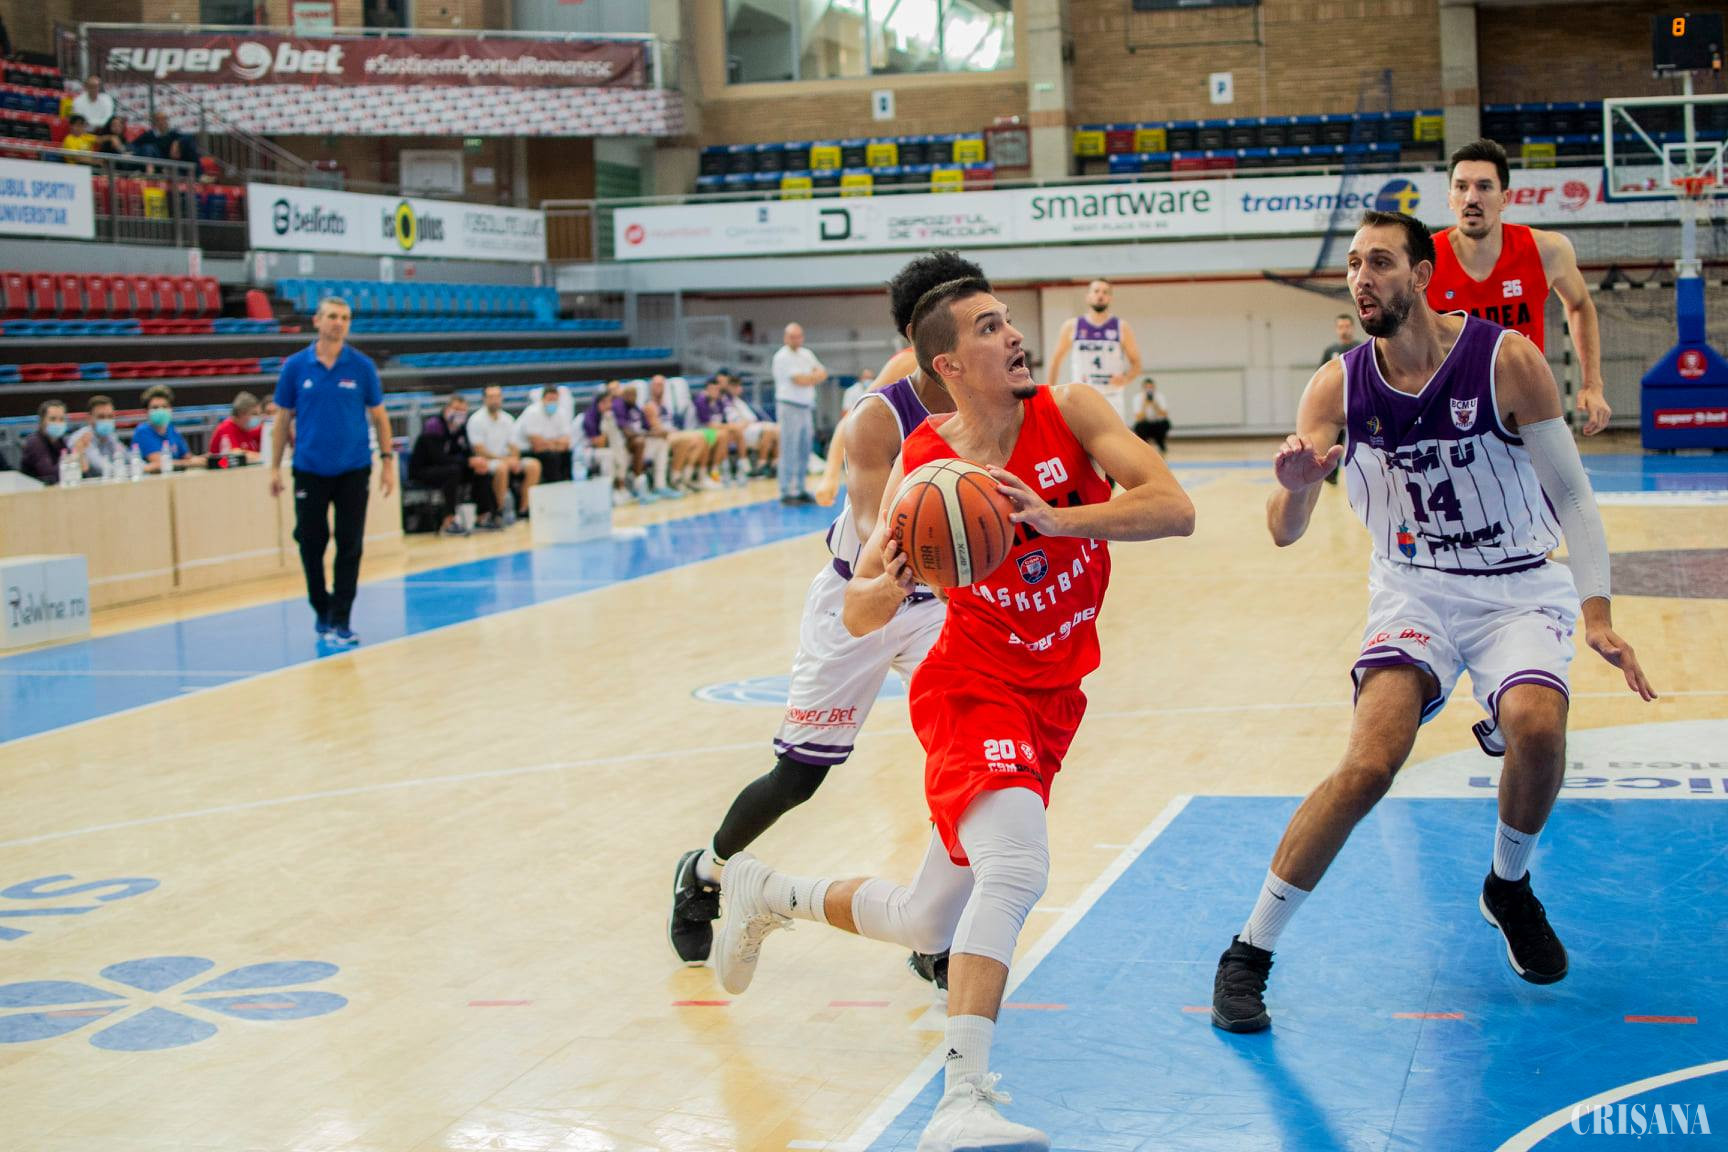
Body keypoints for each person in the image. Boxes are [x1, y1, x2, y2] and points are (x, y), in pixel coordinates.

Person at [714, 276, 1194, 1152]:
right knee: (1016, 867)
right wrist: (893, 580)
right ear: (949, 364)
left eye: (1008, 320)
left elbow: (1174, 508)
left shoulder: (1071, 409)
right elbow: (859, 609)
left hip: (1054, 695)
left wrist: (1055, 519)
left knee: (928, 920)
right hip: (972, 686)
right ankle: (962, 1099)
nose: (1013, 335)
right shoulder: (926, 466)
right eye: (989, 327)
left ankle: (766, 891)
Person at [1209, 211, 1656, 1037]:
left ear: (1421, 276)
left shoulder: (1507, 361)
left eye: (1379, 262)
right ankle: (1248, 951)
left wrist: (1597, 614)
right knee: (1367, 767)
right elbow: (1282, 530)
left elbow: (1572, 494)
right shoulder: (1336, 385)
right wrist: (1298, 486)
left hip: (1517, 585)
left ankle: (1507, 886)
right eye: (1353, 264)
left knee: (1537, 727)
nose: (1360, 277)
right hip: (1414, 591)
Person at [668, 252, 979, 982]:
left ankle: (935, 930)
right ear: (922, 336)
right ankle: (706, 870)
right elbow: (872, 527)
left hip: (938, 609)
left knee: (966, 758)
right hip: (858, 598)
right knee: (798, 779)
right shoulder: (881, 413)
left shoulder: (993, 400)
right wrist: (935, 545)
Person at [1430, 138, 1613, 435]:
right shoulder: (1424, 261)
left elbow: (1580, 305)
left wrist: (1593, 385)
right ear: (1450, 198)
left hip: (1528, 412)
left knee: (1566, 469)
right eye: (1461, 187)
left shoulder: (1547, 250)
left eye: (1484, 187)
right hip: (1454, 416)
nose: (1471, 198)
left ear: (1505, 198)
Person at [270, 296, 394, 647]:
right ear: (317, 320)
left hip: (353, 469)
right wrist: (274, 468)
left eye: (344, 317)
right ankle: (321, 607)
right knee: (311, 542)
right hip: (309, 469)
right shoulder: (296, 366)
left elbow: (380, 417)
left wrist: (387, 462)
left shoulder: (361, 366)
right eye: (332, 316)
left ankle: (342, 619)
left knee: (350, 544)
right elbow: (282, 420)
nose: (338, 322)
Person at [1045, 278, 1143, 424]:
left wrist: (1126, 378)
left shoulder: (1121, 327)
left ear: (1110, 298)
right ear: (1088, 296)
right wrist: (1050, 394)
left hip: (1112, 396)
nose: (1100, 295)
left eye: (1105, 292)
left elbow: (1137, 364)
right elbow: (1055, 361)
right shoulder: (1072, 326)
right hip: (1081, 397)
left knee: (1114, 438)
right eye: (1096, 291)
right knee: (1080, 438)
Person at [409, 393, 496, 535]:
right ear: (447, 409)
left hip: (450, 468)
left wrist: (475, 461)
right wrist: (467, 462)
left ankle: (483, 517)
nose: (459, 414)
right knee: (453, 471)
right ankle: (448, 521)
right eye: (456, 409)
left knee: (480, 469)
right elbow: (438, 458)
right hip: (423, 470)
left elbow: (466, 453)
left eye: (463, 411)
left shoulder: (460, 428)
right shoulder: (434, 426)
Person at [467, 385, 541, 520]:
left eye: (497, 396)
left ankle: (524, 509)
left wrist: (515, 459)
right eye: (491, 397)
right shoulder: (476, 420)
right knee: (502, 468)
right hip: (487, 461)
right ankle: (498, 511)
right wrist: (505, 460)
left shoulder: (507, 419)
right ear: (484, 399)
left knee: (533, 465)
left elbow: (514, 445)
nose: (495, 400)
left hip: (506, 459)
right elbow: (479, 450)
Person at [771, 323, 826, 504]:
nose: (796, 340)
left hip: (805, 406)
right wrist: (812, 377)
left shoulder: (806, 354)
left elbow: (822, 372)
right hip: (789, 406)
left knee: (804, 448)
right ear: (786, 338)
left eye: (798, 336)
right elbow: (798, 380)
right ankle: (786, 490)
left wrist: (810, 378)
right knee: (789, 447)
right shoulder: (782, 357)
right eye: (792, 337)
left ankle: (801, 488)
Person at [1317, 314, 1361, 484]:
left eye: (1347, 326)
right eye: (1341, 327)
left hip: (1357, 401)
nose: (1344, 330)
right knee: (1336, 438)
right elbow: (1320, 376)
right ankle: (1331, 475)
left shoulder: (1361, 348)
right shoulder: (1330, 351)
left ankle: (1361, 474)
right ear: (1336, 329)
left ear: (1353, 328)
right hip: (1336, 403)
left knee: (1361, 439)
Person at [132, 385, 205, 472]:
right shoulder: (143, 432)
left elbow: (188, 457)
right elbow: (159, 464)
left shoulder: (171, 429)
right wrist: (189, 463)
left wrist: (203, 459)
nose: (160, 410)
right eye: (155, 407)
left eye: (164, 406)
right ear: (146, 411)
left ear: (170, 409)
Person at [514, 383, 576, 486]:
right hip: (526, 451)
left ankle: (567, 484)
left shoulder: (561, 413)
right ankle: (553, 486)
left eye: (555, 400)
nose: (552, 402)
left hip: (549, 449)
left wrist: (549, 444)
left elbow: (566, 442)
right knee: (552, 457)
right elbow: (536, 445)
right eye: (549, 399)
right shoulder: (532, 412)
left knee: (567, 454)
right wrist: (556, 443)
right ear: (542, 399)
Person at [720, 372, 779, 477]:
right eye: (736, 386)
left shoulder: (739, 401)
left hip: (751, 426)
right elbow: (734, 422)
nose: (739, 389)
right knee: (769, 431)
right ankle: (761, 465)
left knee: (777, 429)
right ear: (730, 387)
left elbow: (752, 418)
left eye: (739, 386)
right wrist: (746, 423)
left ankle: (775, 464)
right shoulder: (724, 401)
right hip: (740, 431)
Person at [691, 376, 745, 488]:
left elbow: (723, 421)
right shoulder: (701, 401)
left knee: (736, 433)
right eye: (712, 389)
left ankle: (741, 466)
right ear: (706, 390)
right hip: (699, 431)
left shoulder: (719, 401)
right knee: (724, 434)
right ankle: (712, 473)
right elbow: (708, 424)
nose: (715, 392)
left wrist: (731, 427)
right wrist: (730, 427)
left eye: (717, 389)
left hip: (716, 432)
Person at [67, 395, 126, 479]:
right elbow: (101, 467)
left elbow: (127, 456)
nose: (106, 420)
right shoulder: (81, 437)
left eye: (110, 416)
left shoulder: (111, 436)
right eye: (101, 417)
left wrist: (142, 466)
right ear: (89, 418)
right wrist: (125, 471)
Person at [19, 400, 71, 484]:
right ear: (42, 421)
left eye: (61, 419)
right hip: (33, 489)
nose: (58, 423)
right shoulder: (34, 442)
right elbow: (50, 475)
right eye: (52, 419)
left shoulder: (62, 441)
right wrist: (71, 460)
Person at [210, 391, 266, 460]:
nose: (257, 418)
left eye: (259, 414)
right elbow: (235, 453)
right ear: (241, 413)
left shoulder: (246, 429)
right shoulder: (225, 428)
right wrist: (263, 456)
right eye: (254, 414)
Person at [1131, 378, 1171, 452]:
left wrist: (1155, 405)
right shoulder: (1137, 398)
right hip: (1145, 424)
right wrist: (1144, 405)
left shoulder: (1159, 396)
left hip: (1157, 423)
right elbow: (1138, 417)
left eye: (1151, 387)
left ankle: (1160, 442)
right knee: (1139, 426)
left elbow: (1165, 414)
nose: (1149, 389)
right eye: (1147, 387)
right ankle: (1144, 446)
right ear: (1143, 388)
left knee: (1165, 424)